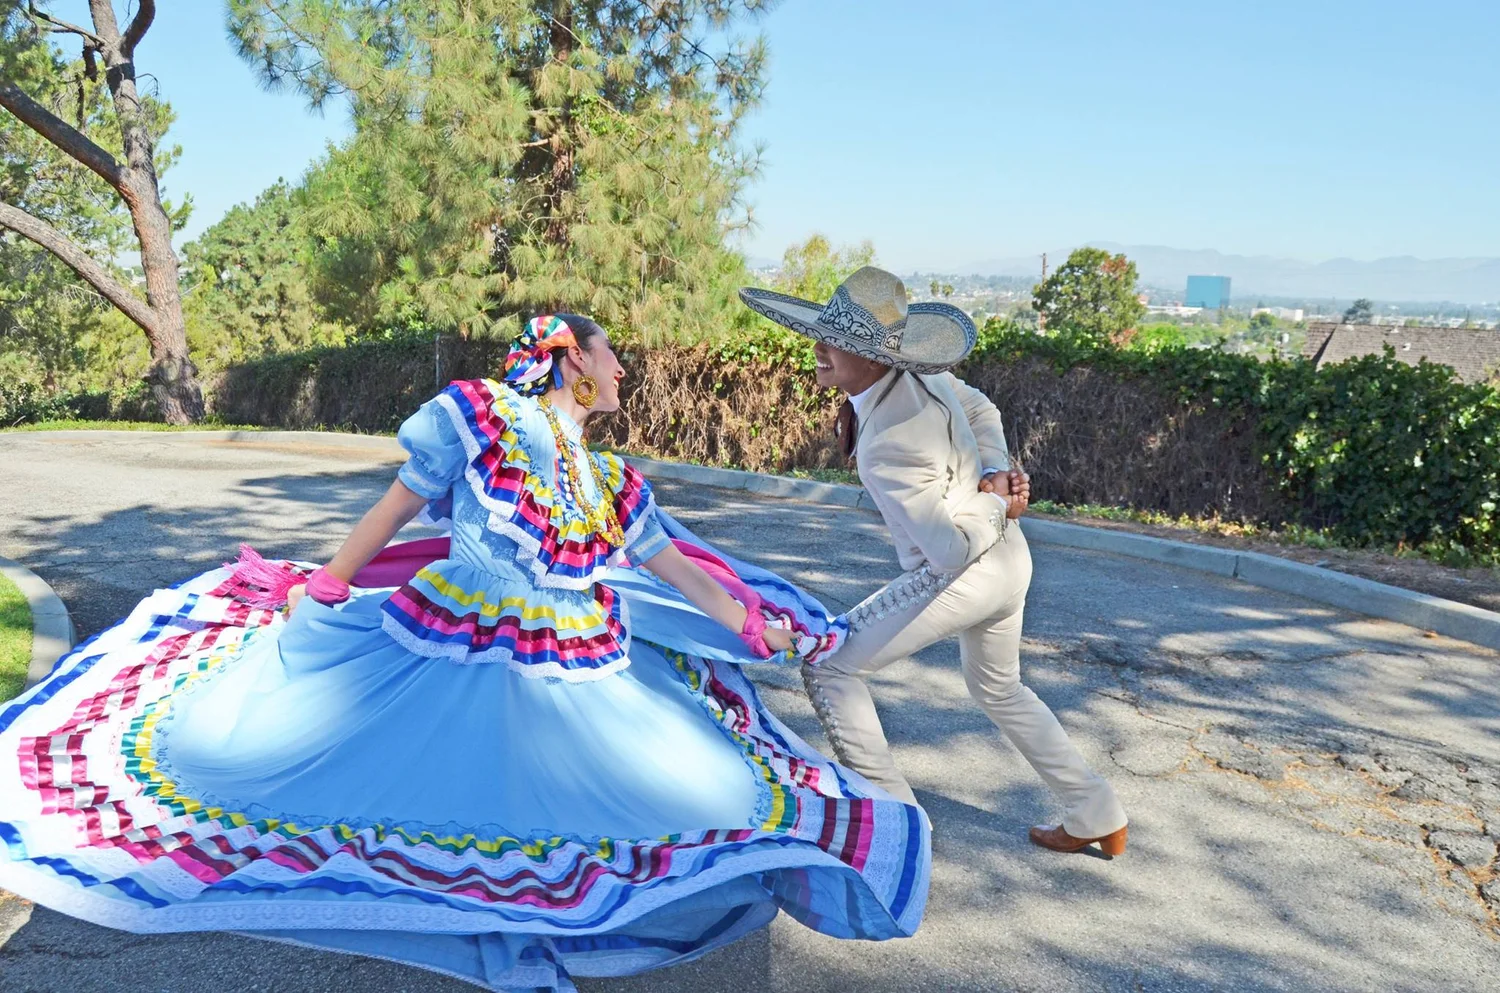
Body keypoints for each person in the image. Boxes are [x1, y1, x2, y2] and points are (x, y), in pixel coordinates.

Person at [0, 313, 930, 992]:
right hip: (462, 633)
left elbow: (670, 564)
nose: (623, 376)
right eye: (613, 359)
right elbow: (397, 505)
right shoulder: (479, 415)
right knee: (442, 789)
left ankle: (525, 932)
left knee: (628, 803)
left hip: (577, 652)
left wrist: (744, 621)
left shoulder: (611, 477)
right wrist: (327, 585)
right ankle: (507, 936)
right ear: (570, 358)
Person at [739, 268, 1129, 856]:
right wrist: (996, 478)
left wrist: (994, 499)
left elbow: (948, 550)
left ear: (873, 356)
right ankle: (1096, 810)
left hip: (963, 572)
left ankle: (900, 832)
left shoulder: (888, 441)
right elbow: (984, 410)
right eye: (818, 334)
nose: (818, 347)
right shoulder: (926, 379)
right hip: (1008, 563)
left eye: (834, 340)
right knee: (999, 688)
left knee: (831, 667)